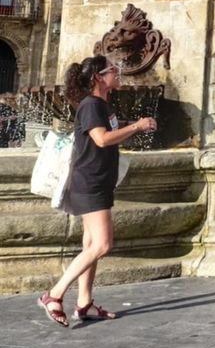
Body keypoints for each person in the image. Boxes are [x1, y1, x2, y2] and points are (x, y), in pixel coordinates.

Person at [38, 56, 157, 327]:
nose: (118, 73)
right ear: (98, 78)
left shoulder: (102, 105)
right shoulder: (91, 105)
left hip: (97, 181)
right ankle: (54, 295)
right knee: (103, 244)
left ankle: (84, 303)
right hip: (89, 183)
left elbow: (107, 136)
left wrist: (133, 126)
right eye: (112, 70)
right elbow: (101, 139)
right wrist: (137, 126)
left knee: (91, 245)